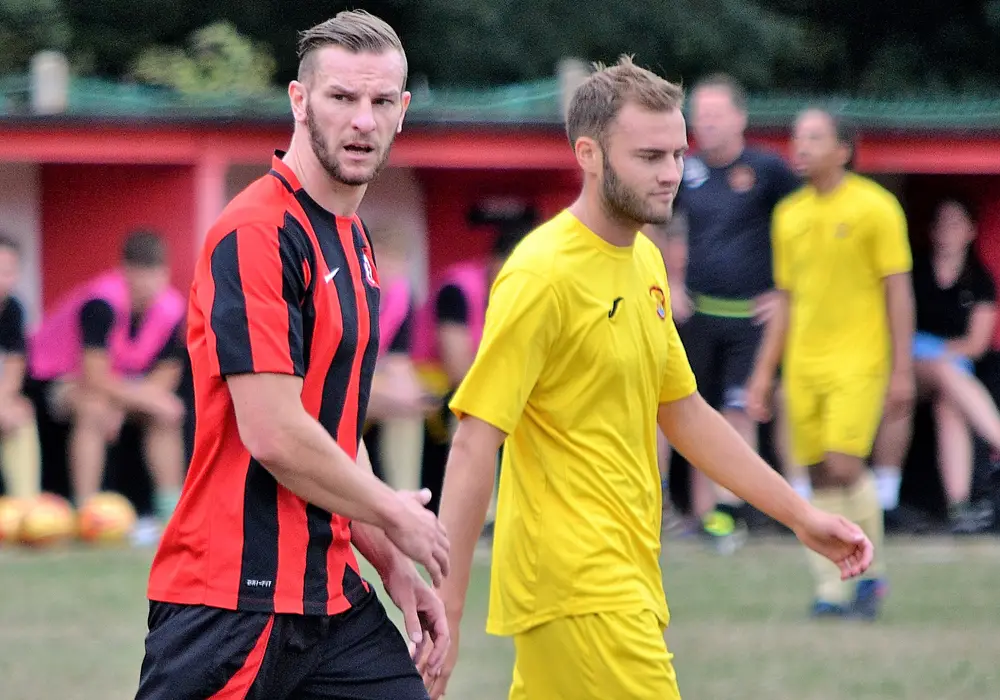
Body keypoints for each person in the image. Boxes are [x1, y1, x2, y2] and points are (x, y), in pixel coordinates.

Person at [428, 58, 873, 700]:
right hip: (579, 588)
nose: (671, 174)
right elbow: (474, 442)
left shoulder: (644, 260)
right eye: (649, 156)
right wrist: (449, 612)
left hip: (627, 577)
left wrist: (799, 514)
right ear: (589, 153)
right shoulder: (540, 275)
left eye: (676, 154)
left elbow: (685, 412)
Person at [138, 11, 449, 700]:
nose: (361, 121)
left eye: (378, 103)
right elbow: (276, 432)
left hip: (331, 602)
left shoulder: (355, 240)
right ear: (300, 102)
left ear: (402, 112)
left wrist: (393, 563)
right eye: (341, 98)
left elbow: (333, 431)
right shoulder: (257, 231)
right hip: (231, 604)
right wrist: (394, 513)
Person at [748, 107, 915, 619]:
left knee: (845, 465)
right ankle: (834, 590)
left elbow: (898, 290)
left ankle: (873, 571)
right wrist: (762, 374)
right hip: (804, 366)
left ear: (844, 149)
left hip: (859, 361)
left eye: (815, 138)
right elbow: (786, 300)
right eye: (797, 138)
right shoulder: (789, 215)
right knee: (819, 475)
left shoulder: (876, 208)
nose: (800, 147)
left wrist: (903, 369)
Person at [664, 74, 803, 550]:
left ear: (741, 118)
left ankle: (737, 508)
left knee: (739, 410)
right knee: (685, 408)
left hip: (752, 317)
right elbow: (661, 225)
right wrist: (673, 283)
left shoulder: (769, 169)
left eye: (717, 115)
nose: (708, 124)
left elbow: (803, 226)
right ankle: (680, 509)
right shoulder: (684, 169)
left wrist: (785, 292)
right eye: (701, 115)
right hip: (696, 312)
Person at [28, 230, 186, 530]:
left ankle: (171, 512)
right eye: (141, 274)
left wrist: (128, 404)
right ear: (125, 271)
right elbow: (93, 376)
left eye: (155, 274)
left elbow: (167, 371)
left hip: (119, 387)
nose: (148, 284)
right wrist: (125, 402)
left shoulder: (172, 307)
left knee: (167, 412)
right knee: (95, 410)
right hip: (56, 381)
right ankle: (85, 514)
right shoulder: (100, 303)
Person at [410, 216, 533, 516]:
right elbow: (457, 368)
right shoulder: (459, 290)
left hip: (487, 388)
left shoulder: (526, 297)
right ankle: (459, 513)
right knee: (478, 416)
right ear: (496, 260)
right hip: (435, 386)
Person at [906, 197, 1000, 532]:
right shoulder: (913, 270)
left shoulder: (980, 280)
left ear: (972, 231)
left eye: (956, 223)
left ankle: (958, 507)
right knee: (946, 371)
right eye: (942, 223)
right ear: (931, 231)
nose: (948, 231)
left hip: (954, 371)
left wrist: (940, 349)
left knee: (949, 403)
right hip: (908, 369)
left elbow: (976, 344)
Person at [0, 235, 40, 500]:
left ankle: (25, 509)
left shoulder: (13, 308)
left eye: (7, 272)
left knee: (20, 411)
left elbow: (14, 367)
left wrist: (3, 404)